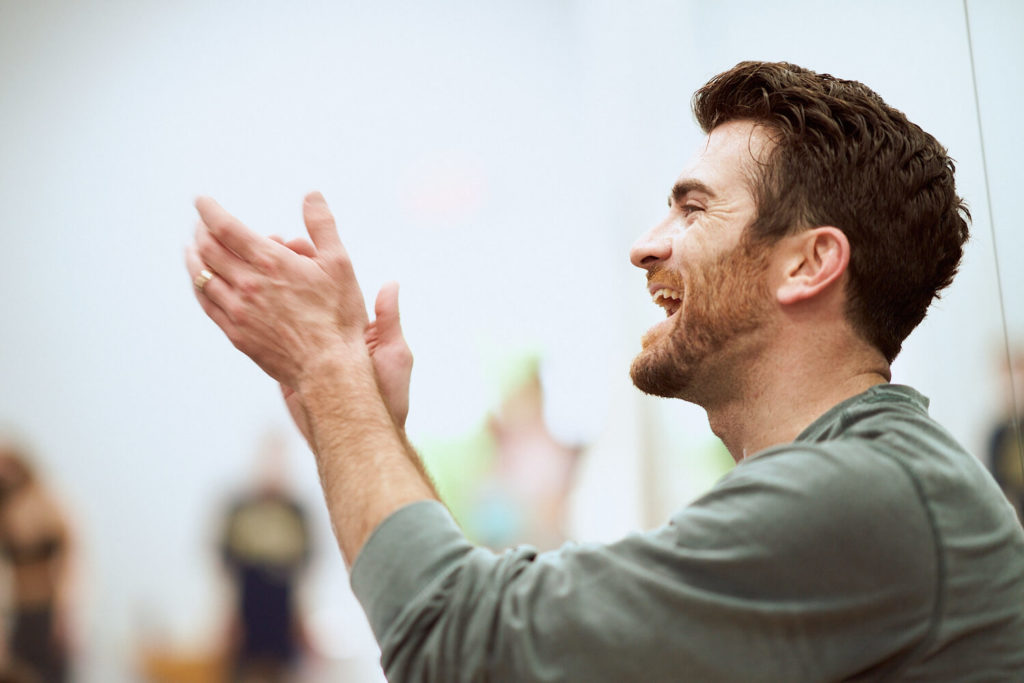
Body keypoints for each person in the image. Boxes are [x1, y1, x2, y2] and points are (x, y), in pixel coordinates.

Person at [185, 61, 1024, 680]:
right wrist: (376, 426)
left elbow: (461, 648)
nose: (646, 244)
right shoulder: (864, 479)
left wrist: (331, 374)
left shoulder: (870, 491)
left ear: (807, 264)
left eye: (693, 208)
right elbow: (490, 616)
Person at [218, 432, 312, 682]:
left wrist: (302, 621)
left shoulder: (296, 512)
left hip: (282, 613)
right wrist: (229, 618)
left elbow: (303, 571)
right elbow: (227, 567)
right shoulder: (240, 509)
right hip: (248, 611)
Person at [0, 441, 72, 683]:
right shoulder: (7, 511)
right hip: (18, 610)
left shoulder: (47, 504)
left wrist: (64, 611)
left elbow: (70, 560)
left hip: (48, 609)